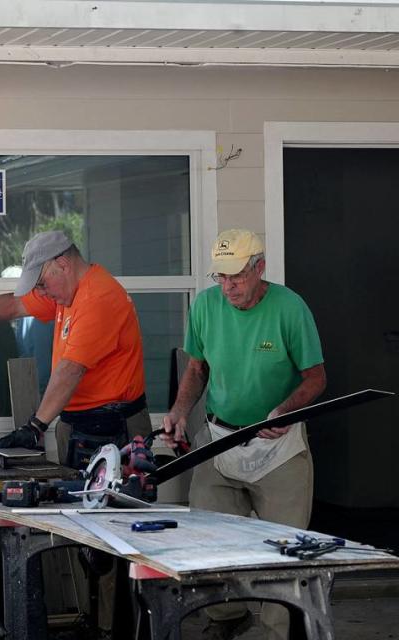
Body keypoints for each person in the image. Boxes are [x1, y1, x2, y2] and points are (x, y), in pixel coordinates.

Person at [0, 229, 151, 634]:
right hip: (79, 424)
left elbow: (70, 369)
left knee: (114, 538)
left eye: (43, 281)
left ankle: (114, 631)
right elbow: (14, 307)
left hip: (115, 426)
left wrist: (35, 426)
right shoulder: (64, 292)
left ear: (62, 264)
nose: (42, 292)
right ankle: (91, 622)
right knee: (82, 531)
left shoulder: (98, 296)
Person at [161, 229, 326, 640]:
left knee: (283, 553)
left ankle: (277, 632)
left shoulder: (290, 308)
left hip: (280, 446)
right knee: (210, 543)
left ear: (259, 268)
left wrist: (283, 410)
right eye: (220, 276)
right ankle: (226, 618)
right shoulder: (205, 307)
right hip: (220, 437)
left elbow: (316, 378)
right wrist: (180, 411)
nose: (228, 286)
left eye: (236, 275)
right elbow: (197, 369)